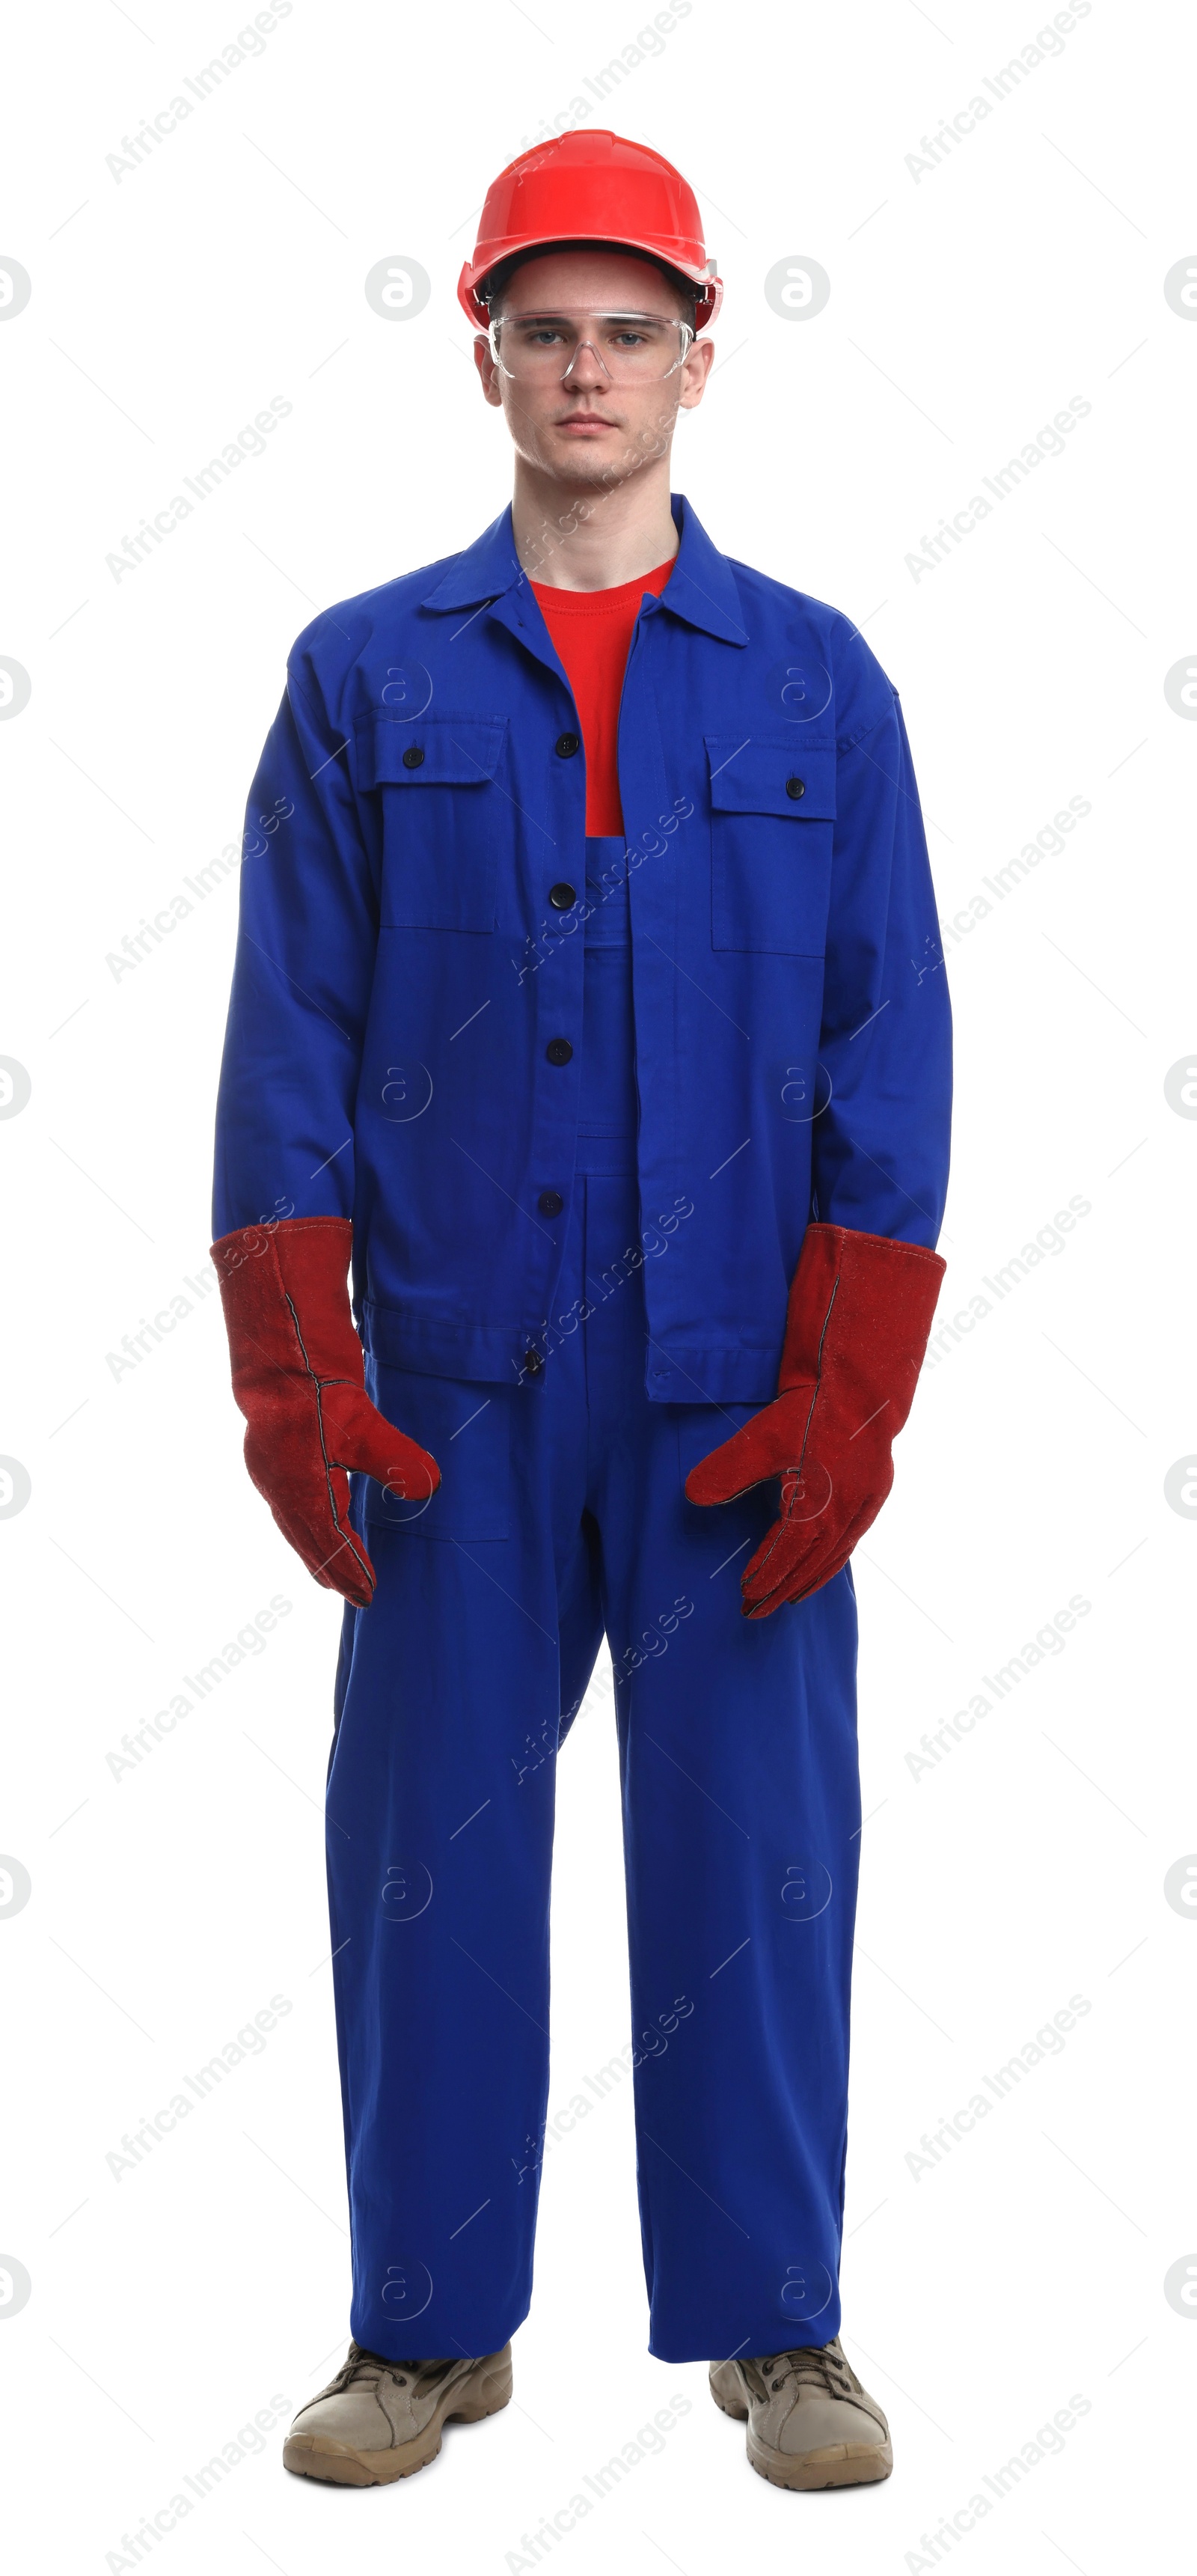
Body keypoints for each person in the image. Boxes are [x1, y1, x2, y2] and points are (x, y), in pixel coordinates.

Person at [211, 126, 952, 2494]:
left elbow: (888, 1038)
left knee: (752, 1855)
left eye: (635, 328)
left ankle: (780, 2324)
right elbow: (289, 1035)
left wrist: (855, 1385)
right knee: (427, 1843)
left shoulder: (818, 684)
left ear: (703, 358)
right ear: (487, 356)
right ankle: (424, 2331)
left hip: (737, 1389)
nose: (591, 366)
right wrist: (292, 1363)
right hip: (451, 1385)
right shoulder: (364, 673)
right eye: (550, 327)